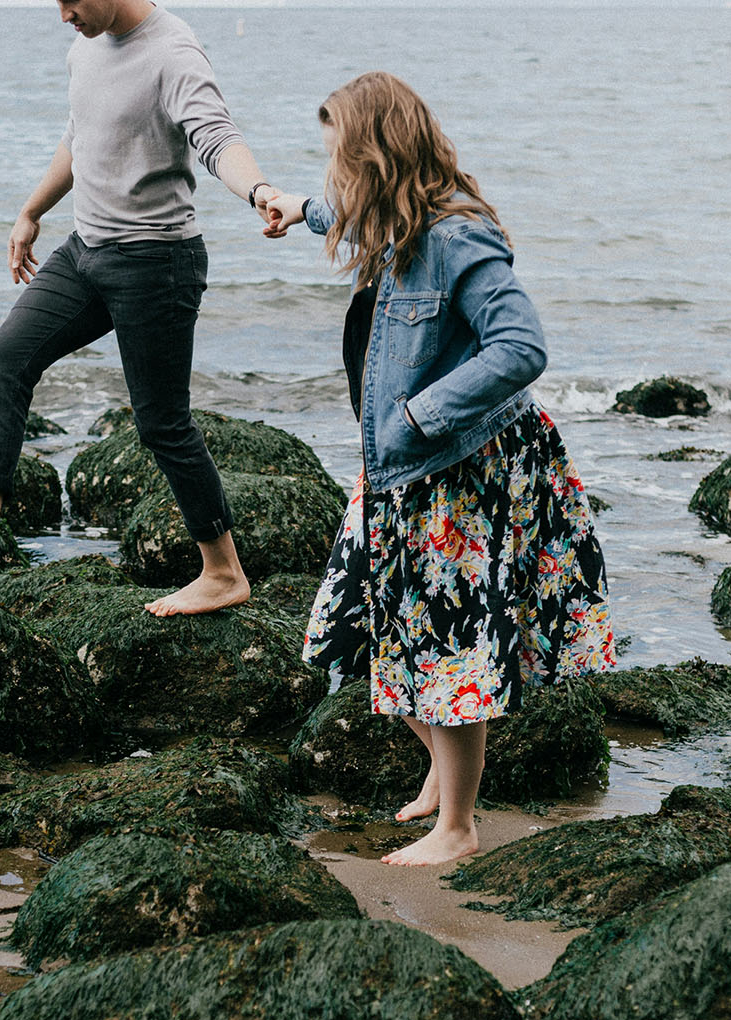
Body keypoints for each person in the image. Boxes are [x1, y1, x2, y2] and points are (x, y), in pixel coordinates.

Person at [261, 72, 616, 867]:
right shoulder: (397, 224)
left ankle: (457, 825)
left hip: (459, 472)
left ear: (376, 157)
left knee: (450, 645)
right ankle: (438, 775)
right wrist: (296, 207)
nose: (333, 182)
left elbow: (520, 346)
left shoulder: (456, 236)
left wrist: (421, 416)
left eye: (338, 165)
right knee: (359, 626)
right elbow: (349, 222)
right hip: (396, 473)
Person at [0, 0, 277, 616]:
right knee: (2, 362)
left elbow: (216, 137)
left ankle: (224, 572)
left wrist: (260, 191)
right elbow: (80, 138)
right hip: (84, 255)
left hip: (156, 262)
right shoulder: (85, 46)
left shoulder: (173, 51)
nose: (62, 14)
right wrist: (32, 210)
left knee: (162, 424)